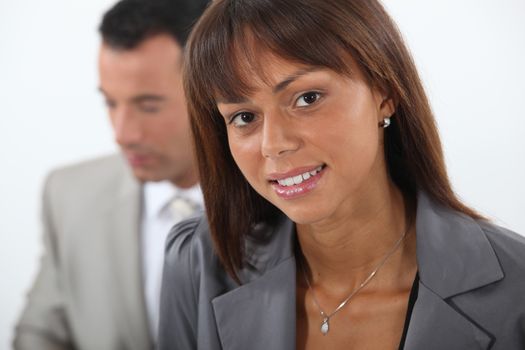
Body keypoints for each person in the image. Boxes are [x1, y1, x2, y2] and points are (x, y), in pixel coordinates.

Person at [158, 0, 525, 349]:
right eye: (245, 117)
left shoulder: (516, 287)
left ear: (385, 92)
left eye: (307, 98)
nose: (274, 144)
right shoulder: (198, 263)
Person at [13, 0, 209, 349]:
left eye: (148, 106)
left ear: (213, 92)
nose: (122, 134)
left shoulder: (285, 197)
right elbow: (40, 334)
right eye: (110, 102)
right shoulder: (68, 196)